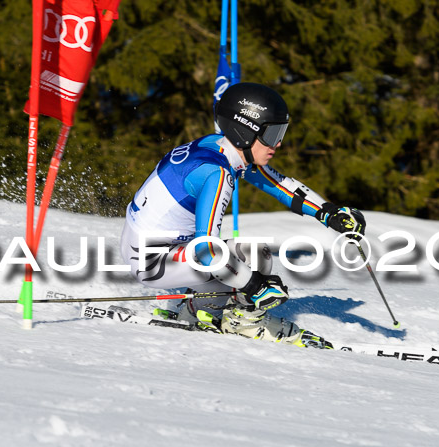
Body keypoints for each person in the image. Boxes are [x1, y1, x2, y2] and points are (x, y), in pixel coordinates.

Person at [120, 82, 365, 349]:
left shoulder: (218, 146)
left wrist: (328, 213)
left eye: (280, 132)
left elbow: (278, 185)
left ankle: (203, 308)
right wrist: (254, 285)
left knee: (254, 254)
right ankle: (237, 319)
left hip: (159, 247)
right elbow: (206, 252)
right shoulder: (217, 173)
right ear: (244, 132)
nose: (279, 143)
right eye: (272, 134)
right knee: (247, 259)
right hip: (152, 260)